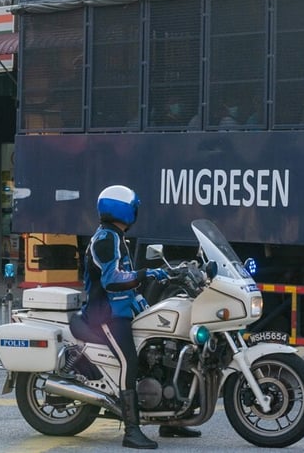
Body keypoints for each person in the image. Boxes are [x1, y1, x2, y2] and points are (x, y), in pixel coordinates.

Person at [80, 185, 199, 448]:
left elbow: (129, 285)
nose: (136, 211)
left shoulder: (116, 238)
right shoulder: (105, 239)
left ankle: (172, 423)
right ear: (123, 210)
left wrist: (148, 301)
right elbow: (112, 281)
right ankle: (131, 431)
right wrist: (147, 274)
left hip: (121, 311)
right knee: (129, 363)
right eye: (134, 207)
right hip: (106, 315)